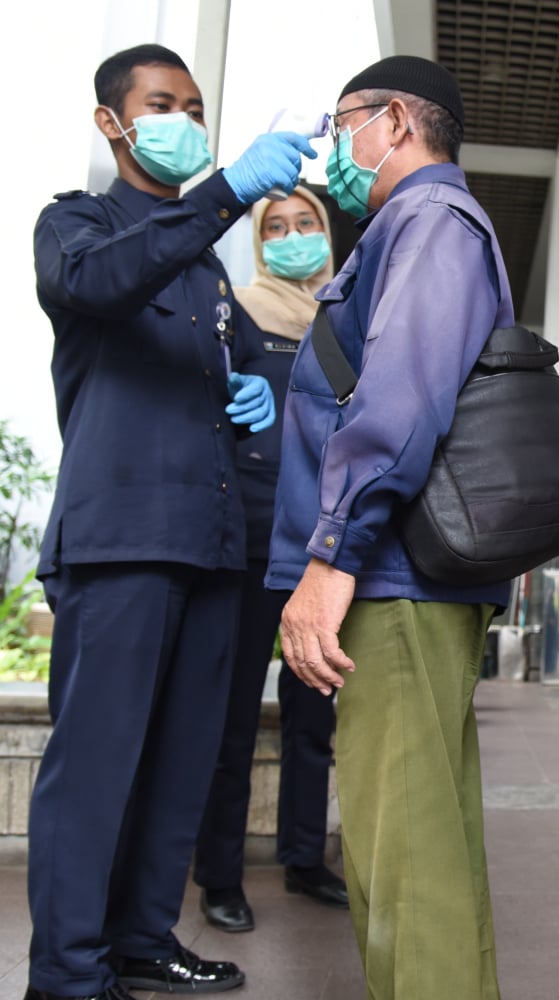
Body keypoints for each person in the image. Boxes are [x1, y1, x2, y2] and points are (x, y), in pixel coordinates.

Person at [28, 44, 313, 1000]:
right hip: (121, 544)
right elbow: (104, 285)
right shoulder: (78, 226)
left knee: (181, 763)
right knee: (97, 765)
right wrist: (228, 190)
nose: (183, 118)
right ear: (113, 122)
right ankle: (67, 972)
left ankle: (144, 937)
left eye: (195, 104)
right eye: (162, 103)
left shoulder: (212, 278)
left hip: (211, 545)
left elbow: (210, 370)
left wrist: (247, 397)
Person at [267, 56, 513, 999]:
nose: (334, 150)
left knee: (402, 863)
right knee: (429, 859)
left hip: (392, 577)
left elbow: (400, 400)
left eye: (343, 127)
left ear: (398, 120)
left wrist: (332, 557)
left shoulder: (428, 221)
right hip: (402, 576)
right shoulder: (415, 228)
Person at [193, 187, 347, 935]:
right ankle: (220, 875)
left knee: (313, 713)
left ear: (327, 230)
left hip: (322, 547)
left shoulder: (351, 313)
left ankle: (304, 857)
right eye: (276, 228)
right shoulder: (241, 310)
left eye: (306, 224)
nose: (292, 237)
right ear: (258, 241)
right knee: (231, 720)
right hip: (253, 538)